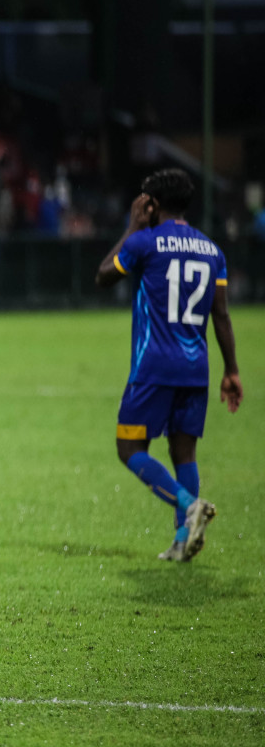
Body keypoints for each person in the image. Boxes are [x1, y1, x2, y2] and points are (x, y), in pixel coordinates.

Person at [95, 169, 242, 561]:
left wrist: (130, 227)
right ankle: (181, 540)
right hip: (196, 369)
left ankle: (188, 507)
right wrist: (232, 370)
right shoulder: (213, 251)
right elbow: (221, 316)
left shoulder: (144, 243)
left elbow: (104, 275)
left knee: (129, 447)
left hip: (155, 366)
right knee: (184, 454)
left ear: (151, 204)